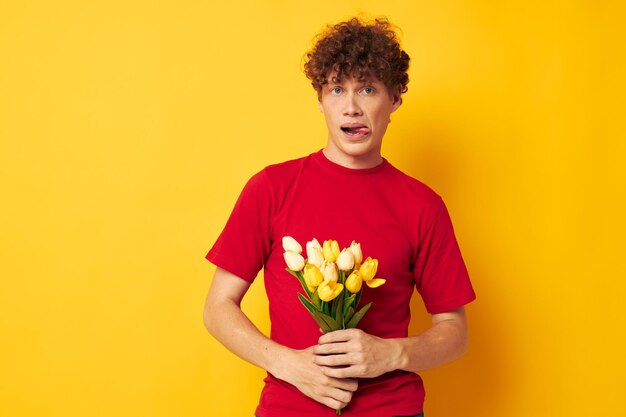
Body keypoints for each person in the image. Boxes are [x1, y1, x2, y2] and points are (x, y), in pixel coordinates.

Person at [203, 17, 476, 417]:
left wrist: (390, 353)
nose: (351, 107)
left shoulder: (422, 205)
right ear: (320, 98)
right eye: (336, 89)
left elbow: (455, 331)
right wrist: (289, 365)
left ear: (395, 98)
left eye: (368, 89)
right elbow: (218, 306)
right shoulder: (272, 188)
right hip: (289, 409)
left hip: (392, 410)